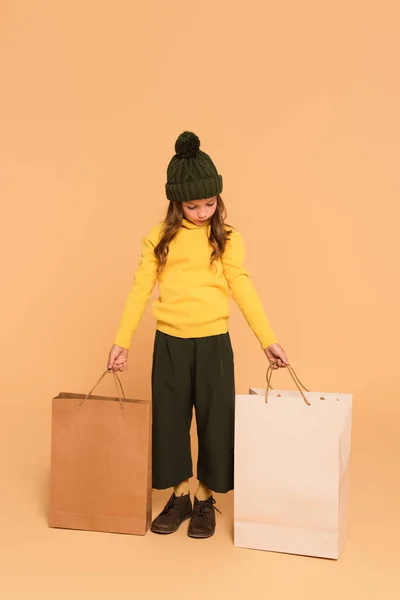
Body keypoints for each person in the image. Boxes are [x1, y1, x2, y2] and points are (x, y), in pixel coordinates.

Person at [107, 131, 289, 539]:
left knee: (215, 421)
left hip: (214, 345)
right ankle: (181, 495)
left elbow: (242, 286)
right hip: (169, 343)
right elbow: (140, 289)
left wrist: (267, 339)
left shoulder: (227, 238)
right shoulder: (159, 238)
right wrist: (121, 341)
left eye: (210, 203)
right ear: (176, 202)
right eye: (194, 205)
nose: (203, 211)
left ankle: (206, 499)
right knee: (170, 422)